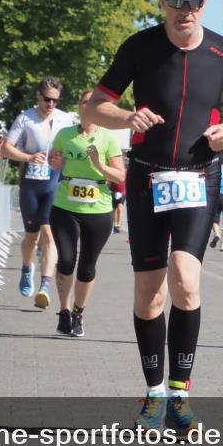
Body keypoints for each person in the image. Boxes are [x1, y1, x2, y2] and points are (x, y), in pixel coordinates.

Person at [85, 0, 223, 435]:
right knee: (149, 294)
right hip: (146, 179)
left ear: (205, 3)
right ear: (162, 1)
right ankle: (154, 393)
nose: (185, 11)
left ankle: (180, 394)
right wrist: (124, 118)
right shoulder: (139, 48)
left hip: (199, 177)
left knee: (187, 280)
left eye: (194, 2)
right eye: (177, 2)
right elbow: (93, 104)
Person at [48, 89, 125, 337]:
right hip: (65, 206)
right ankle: (64, 311)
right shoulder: (65, 135)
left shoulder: (108, 138)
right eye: (85, 102)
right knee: (67, 260)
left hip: (99, 208)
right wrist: (54, 161)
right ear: (81, 107)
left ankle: (79, 312)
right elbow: (54, 160)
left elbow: (121, 175)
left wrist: (99, 165)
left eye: (95, 103)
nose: (89, 107)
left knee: (87, 266)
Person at [2, 77, 74, 310]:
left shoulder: (66, 119)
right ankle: (26, 267)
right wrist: (28, 157)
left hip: (55, 182)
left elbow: (75, 146)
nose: (50, 104)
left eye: (54, 100)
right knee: (31, 237)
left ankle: (45, 285)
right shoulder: (26, 118)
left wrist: (66, 158)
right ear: (38, 96)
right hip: (31, 183)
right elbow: (7, 148)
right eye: (46, 99)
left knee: (49, 233)